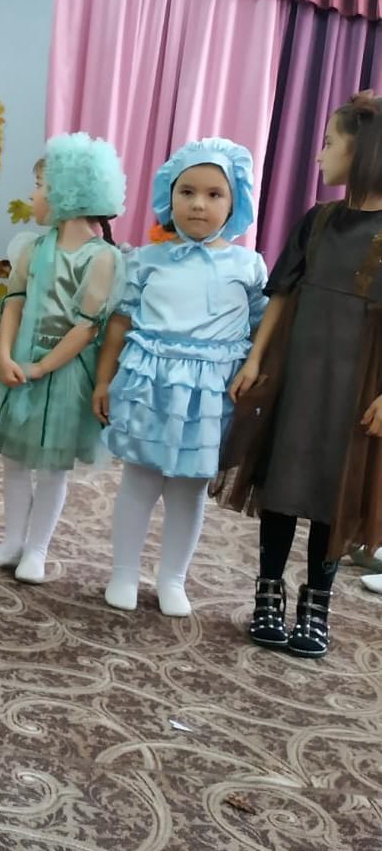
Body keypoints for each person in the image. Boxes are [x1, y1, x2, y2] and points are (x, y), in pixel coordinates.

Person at [215, 92, 382, 657]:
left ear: (362, 151)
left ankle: (317, 602)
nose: (318, 154)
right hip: (298, 373)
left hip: (357, 384)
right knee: (282, 480)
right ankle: (268, 591)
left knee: (334, 489)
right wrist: (256, 359)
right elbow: (282, 295)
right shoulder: (318, 220)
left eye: (329, 143)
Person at [94, 140, 267, 617]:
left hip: (209, 396)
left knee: (188, 490)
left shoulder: (248, 266)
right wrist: (103, 381)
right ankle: (124, 573)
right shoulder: (146, 260)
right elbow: (119, 324)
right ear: (168, 197)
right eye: (187, 192)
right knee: (140, 481)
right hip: (150, 386)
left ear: (235, 203)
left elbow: (260, 328)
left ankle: (172, 578)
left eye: (214, 194)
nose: (198, 204)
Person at [0, 137, 126, 582]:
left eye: (38, 186)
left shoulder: (102, 258)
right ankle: (13, 542)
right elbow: (13, 302)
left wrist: (41, 367)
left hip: (65, 372)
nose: (32, 195)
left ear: (67, 192)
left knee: (52, 466)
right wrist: (4, 354)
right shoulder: (32, 249)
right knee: (14, 458)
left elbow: (87, 326)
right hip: (19, 361)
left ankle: (37, 550)